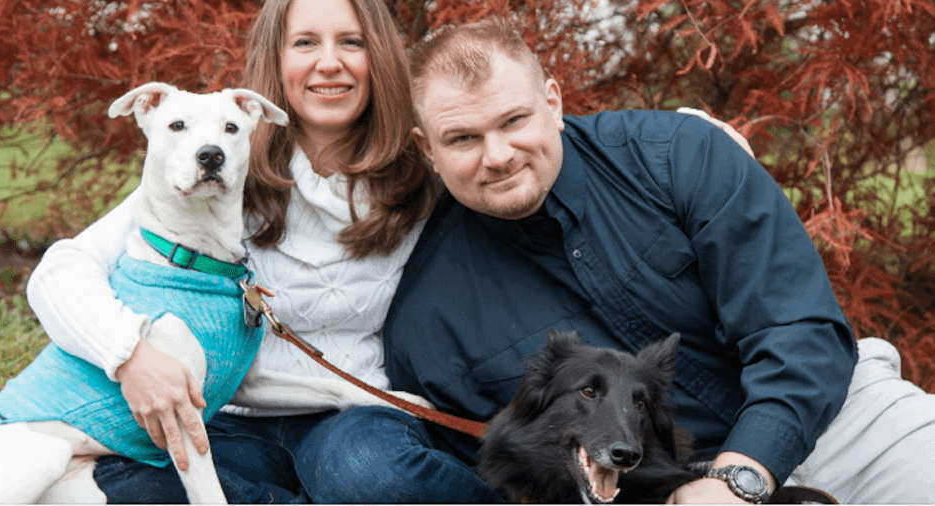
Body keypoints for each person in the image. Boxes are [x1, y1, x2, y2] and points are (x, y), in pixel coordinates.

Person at [383, 17, 935, 504]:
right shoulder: (428, 324)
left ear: (552, 103)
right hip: (654, 493)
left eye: (512, 122)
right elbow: (502, 475)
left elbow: (799, 330)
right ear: (427, 149)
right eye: (462, 138)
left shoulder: (679, 156)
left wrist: (739, 478)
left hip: (842, 424)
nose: (498, 156)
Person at [25, 0, 506, 501]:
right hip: (224, 417)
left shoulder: (418, 178)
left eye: (351, 41)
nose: (328, 62)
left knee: (376, 478)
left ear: (379, 57)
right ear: (275, 61)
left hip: (349, 414)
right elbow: (59, 273)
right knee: (121, 485)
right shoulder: (216, 168)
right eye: (305, 43)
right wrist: (130, 356)